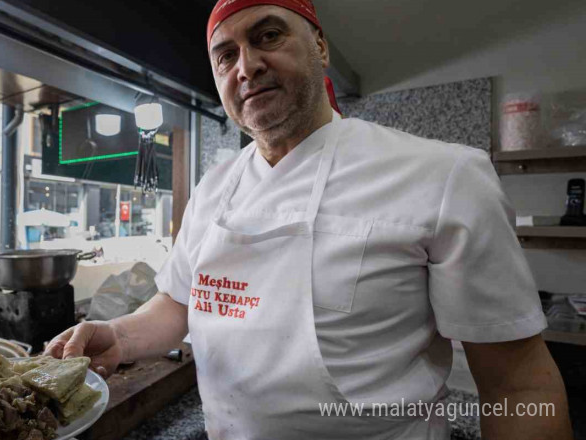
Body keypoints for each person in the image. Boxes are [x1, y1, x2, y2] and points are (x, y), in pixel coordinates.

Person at [46, 1, 573, 438]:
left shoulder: (443, 176)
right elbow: (179, 302)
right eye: (225, 55)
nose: (246, 66)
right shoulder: (212, 189)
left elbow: (519, 384)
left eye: (268, 36)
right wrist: (118, 334)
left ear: (320, 46)